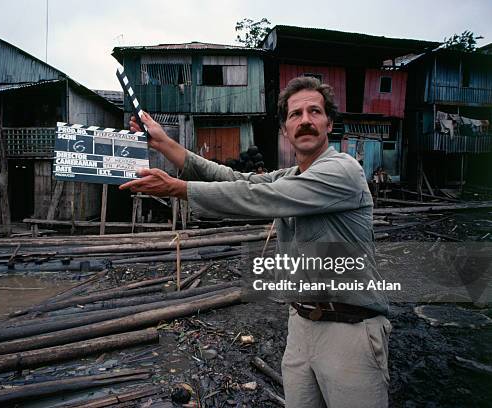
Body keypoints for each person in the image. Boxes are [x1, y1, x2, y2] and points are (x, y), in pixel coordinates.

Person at [120, 76, 391, 408]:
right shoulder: (291, 175)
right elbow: (234, 179)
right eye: (295, 115)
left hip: (351, 330)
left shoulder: (342, 171)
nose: (305, 120)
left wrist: (179, 188)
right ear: (285, 129)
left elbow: (256, 195)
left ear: (329, 122)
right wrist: (164, 143)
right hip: (302, 323)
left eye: (314, 112)